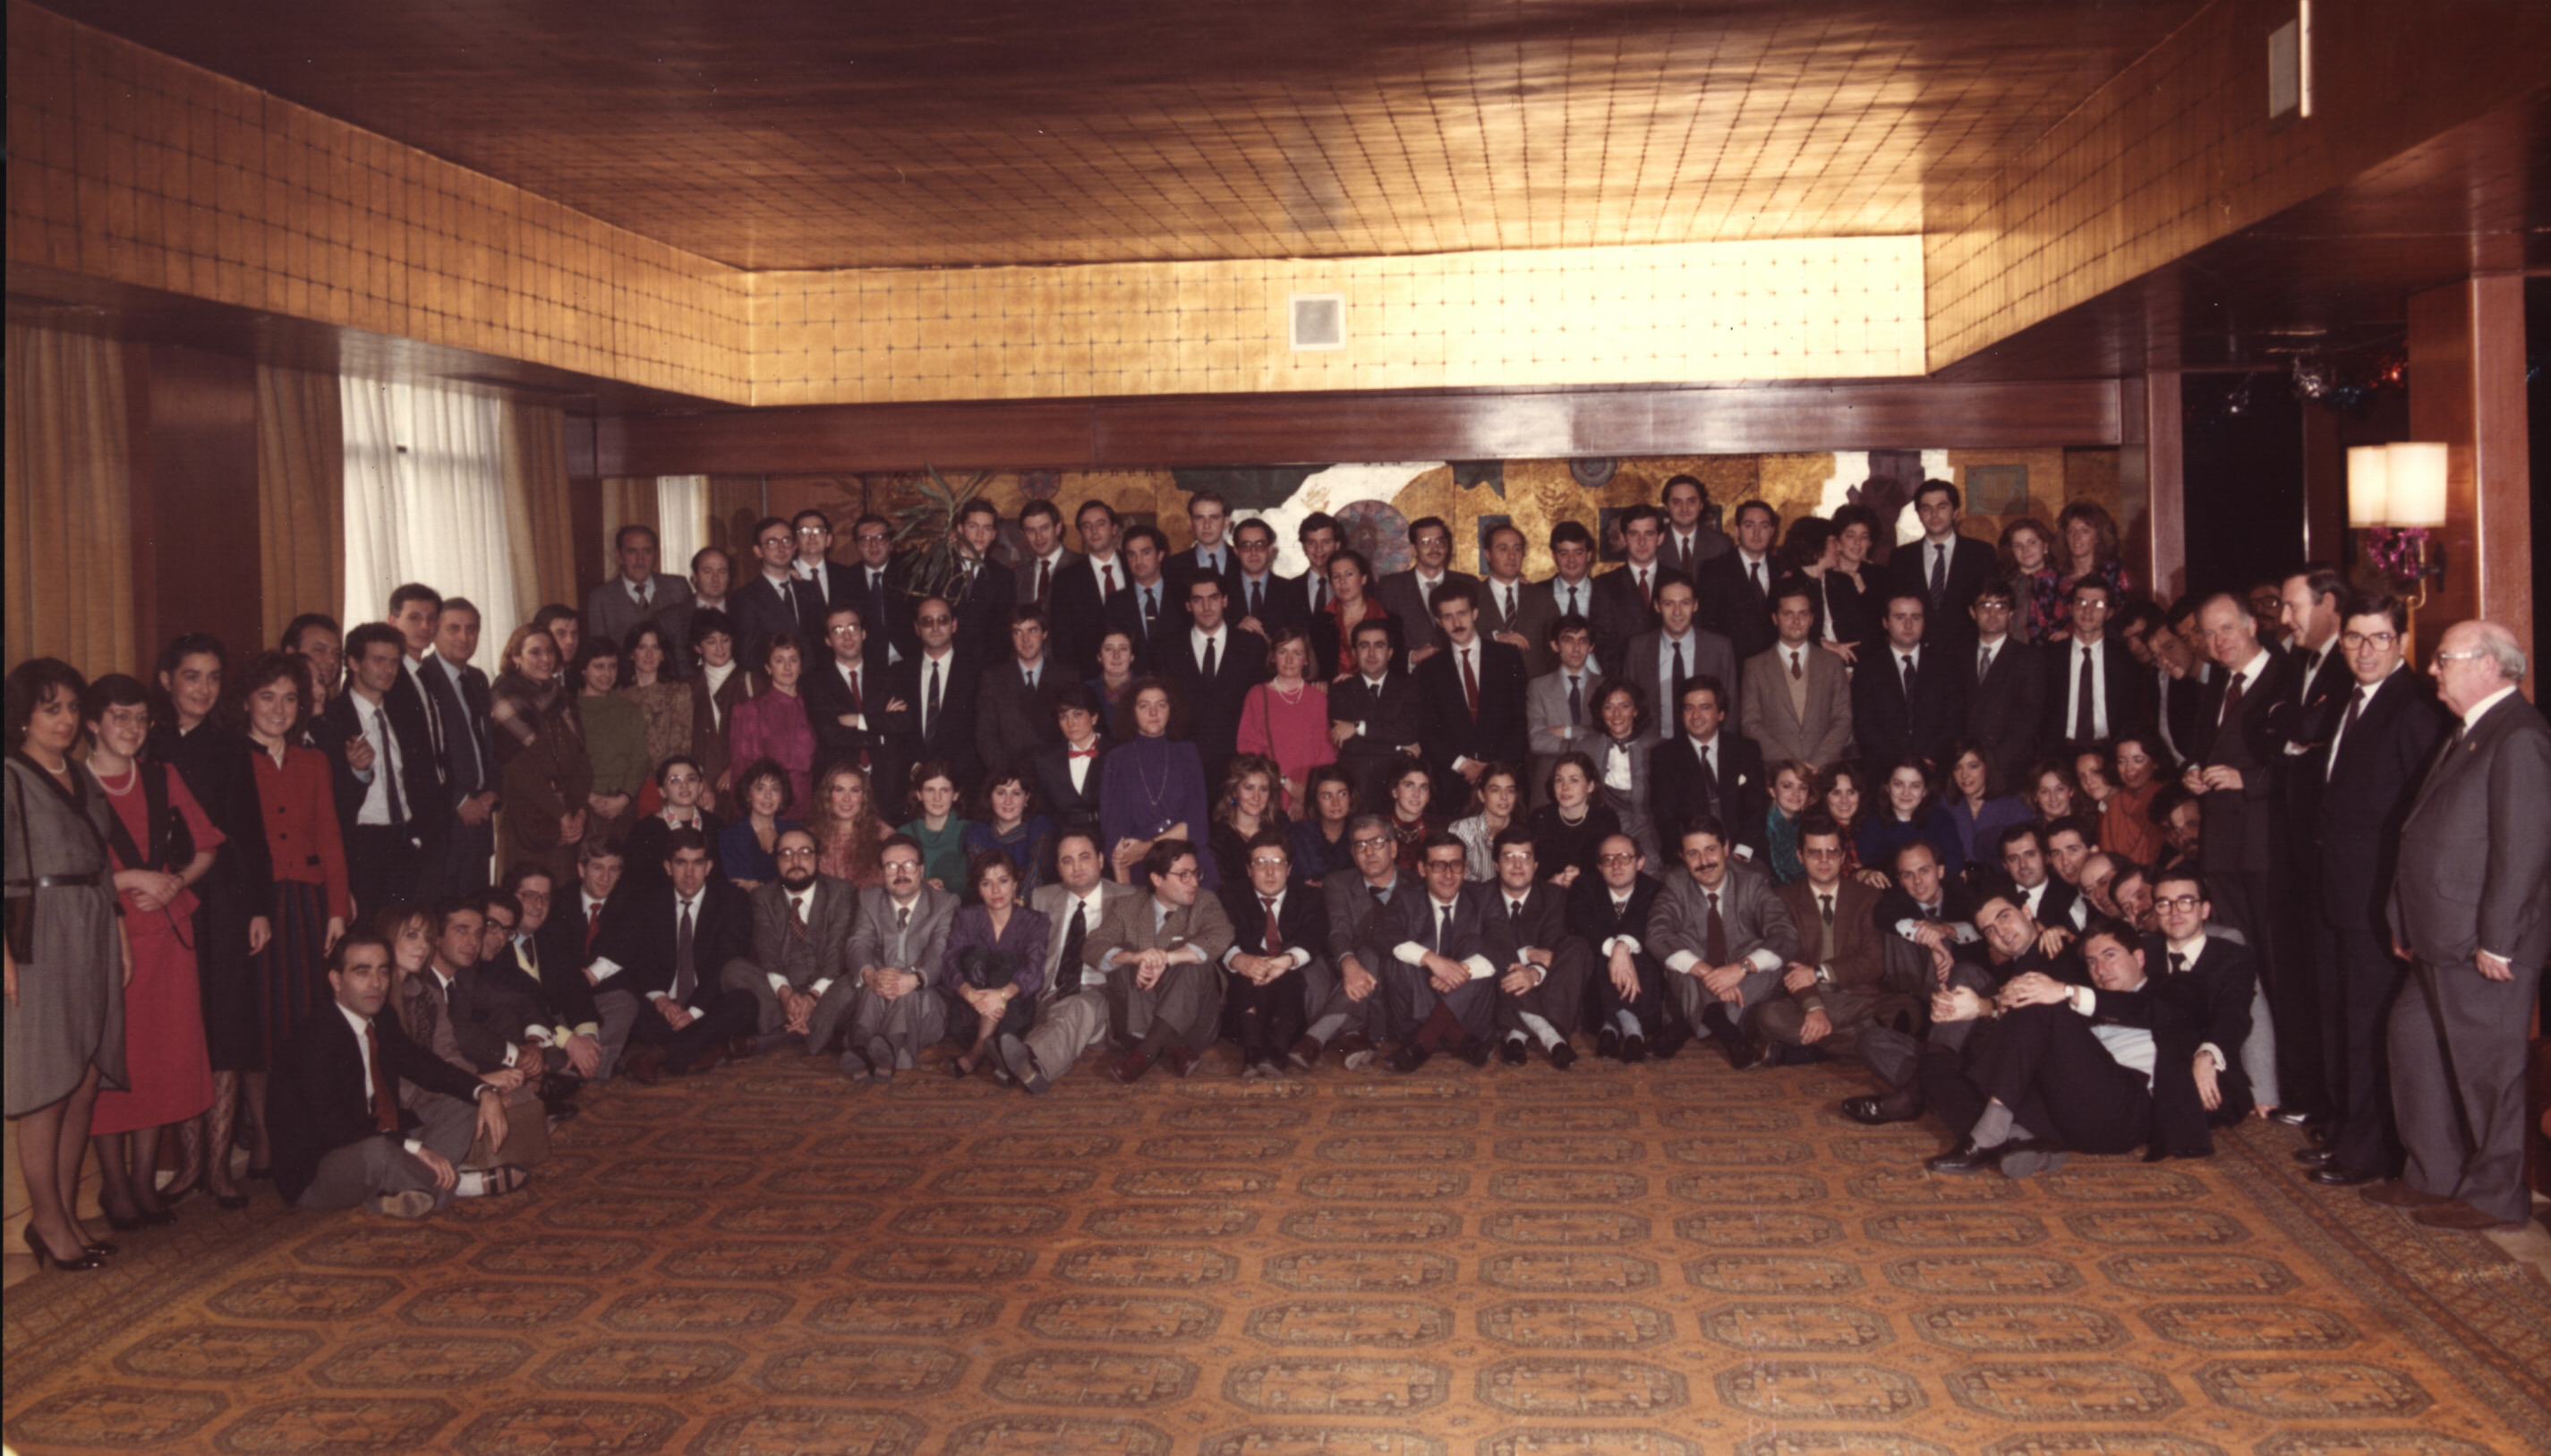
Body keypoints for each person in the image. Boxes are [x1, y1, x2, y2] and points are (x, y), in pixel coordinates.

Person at [2376, 619, 2550, 1232]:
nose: (2433, 669)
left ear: (2488, 665)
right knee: (2412, 1043)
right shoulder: (2472, 729)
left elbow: (2523, 847)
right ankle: (2433, 1173)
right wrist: (2404, 914)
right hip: (2438, 932)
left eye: (2444, 658)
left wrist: (2499, 939)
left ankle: (2496, 1196)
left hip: (2483, 940)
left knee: (2489, 1070)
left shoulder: (2520, 735)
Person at [2299, 593, 2449, 1189]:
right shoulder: (2351, 698)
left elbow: (2423, 817)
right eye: (2354, 638)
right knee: (2340, 1017)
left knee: (2368, 1022)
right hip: (2337, 890)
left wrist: (2403, 908)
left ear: (2403, 643)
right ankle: (2346, 1131)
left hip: (2377, 899)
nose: (2365, 650)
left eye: (2379, 638)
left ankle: (2371, 1151)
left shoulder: (2414, 708)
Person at [81, 675, 218, 1231]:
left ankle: (143, 1180)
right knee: (116, 1059)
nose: (133, 728)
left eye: (141, 718)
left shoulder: (162, 776)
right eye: (121, 716)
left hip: (166, 933)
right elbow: (68, 874)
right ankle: (114, 1184)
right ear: (93, 723)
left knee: (161, 1060)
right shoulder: (73, 784)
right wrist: (131, 879)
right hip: (105, 937)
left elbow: (206, 846)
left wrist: (175, 882)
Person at [6, 659, 131, 1268]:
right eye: (49, 708)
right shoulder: (8, 775)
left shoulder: (81, 774)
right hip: (38, 932)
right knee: (45, 1084)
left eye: (71, 708)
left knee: (83, 1078)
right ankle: (48, 1221)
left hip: (92, 927)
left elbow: (101, 861)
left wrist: (119, 933)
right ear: (22, 715)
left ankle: (65, 1216)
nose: (64, 720)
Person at [266, 932, 521, 1220]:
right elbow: (332, 1128)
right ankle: (461, 1185)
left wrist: (483, 1091)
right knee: (378, 1152)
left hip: (378, 1136)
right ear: (336, 980)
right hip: (320, 1168)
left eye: (383, 971)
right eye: (362, 972)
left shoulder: (381, 1017)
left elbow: (426, 1066)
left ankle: (404, 1188)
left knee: (464, 1102)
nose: (376, 983)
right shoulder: (314, 1039)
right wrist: (412, 1147)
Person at [145, 634, 271, 1208]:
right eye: (192, 675)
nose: (204, 688)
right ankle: (189, 1163)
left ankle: (218, 1167)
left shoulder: (230, 745)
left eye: (214, 677)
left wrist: (259, 908)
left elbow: (250, 833)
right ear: (167, 680)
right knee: (181, 1030)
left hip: (223, 901)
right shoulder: (145, 740)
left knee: (225, 1031)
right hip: (162, 899)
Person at [239, 651, 353, 1185]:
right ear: (247, 702)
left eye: (289, 699)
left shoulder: (314, 761)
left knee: (305, 1023)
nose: (278, 709)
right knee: (261, 1027)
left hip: (307, 905)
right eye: (268, 697)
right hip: (259, 908)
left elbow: (330, 837)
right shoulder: (233, 759)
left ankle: (306, 1134)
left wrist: (337, 908)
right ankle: (265, 1137)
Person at [2181, 592, 2299, 1097]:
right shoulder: (2218, 682)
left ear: (2252, 625)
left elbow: (2306, 765)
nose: (2219, 642)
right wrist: (2193, 772)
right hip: (2222, 851)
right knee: (2237, 964)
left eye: (2227, 629)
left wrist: (2247, 780)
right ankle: (2250, 1076)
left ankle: (2291, 1082)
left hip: (2267, 849)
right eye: (2209, 634)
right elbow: (2203, 749)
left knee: (2277, 967)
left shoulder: (2289, 678)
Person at [586, 828, 757, 1083]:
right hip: (663, 1010)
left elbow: (724, 963)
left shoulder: (733, 901)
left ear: (708, 867)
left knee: (745, 1002)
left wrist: (693, 1014)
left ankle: (656, 1055)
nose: (689, 873)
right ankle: (704, 1048)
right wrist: (662, 1001)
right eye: (681, 863)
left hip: (708, 1004)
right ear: (668, 867)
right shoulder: (648, 901)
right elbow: (641, 962)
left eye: (697, 863)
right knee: (623, 993)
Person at [1646, 819, 1801, 1069]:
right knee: (1681, 947)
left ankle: (1685, 1025)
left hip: (1743, 977)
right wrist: (1708, 974)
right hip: (1699, 976)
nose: (1704, 861)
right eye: (1693, 854)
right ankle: (1730, 1035)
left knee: (1767, 958)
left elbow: (1786, 935)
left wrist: (1741, 968)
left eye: (1710, 850)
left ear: (1726, 848)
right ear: (1682, 857)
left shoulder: (1752, 880)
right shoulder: (1675, 882)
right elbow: (1656, 933)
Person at [994, 829, 1139, 1095]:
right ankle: (1024, 1066)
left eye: (1084, 857)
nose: (1077, 867)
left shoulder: (1129, 898)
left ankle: (1028, 1060)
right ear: (1059, 868)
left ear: (1100, 860)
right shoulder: (1043, 898)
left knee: (1078, 1005)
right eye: (1067, 861)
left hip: (1106, 998)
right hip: (1051, 997)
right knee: (1062, 1013)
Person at [1758, 815, 1907, 1067]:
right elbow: (1791, 965)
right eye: (1815, 853)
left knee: (1907, 1009)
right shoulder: (1782, 898)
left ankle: (1810, 1051)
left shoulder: (1868, 897)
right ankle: (1869, 1043)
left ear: (1842, 856)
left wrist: (1819, 972)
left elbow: (1874, 961)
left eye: (1832, 852)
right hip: (1806, 999)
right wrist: (1814, 1008)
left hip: (1858, 999)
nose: (1824, 860)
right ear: (1800, 856)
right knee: (1768, 1015)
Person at [1086, 838, 1232, 1082]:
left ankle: (1145, 1053)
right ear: (1157, 879)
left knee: (1193, 962)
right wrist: (1134, 958)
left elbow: (1220, 936)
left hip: (1194, 1026)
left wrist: (1168, 958)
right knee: (1122, 954)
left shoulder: (1205, 901)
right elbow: (1093, 946)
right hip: (1134, 1025)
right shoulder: (1127, 906)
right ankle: (1172, 1046)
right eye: (1184, 875)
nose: (1194, 882)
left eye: (1196, 873)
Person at [1362, 831, 1502, 1070]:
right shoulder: (1406, 897)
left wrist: (1462, 971)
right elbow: (1383, 934)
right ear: (1422, 869)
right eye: (1438, 865)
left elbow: (1501, 943)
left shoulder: (1483, 896)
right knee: (1402, 954)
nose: (1448, 874)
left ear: (1465, 868)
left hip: (1470, 1020)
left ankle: (1423, 1043)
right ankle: (1460, 1041)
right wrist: (1432, 960)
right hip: (1416, 1020)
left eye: (1455, 865)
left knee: (1476, 947)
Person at [328, 624, 435, 916]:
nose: (388, 670)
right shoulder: (333, 718)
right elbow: (329, 797)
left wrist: (422, 837)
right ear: (353, 662)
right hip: (362, 845)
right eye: (378, 660)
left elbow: (420, 780)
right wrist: (357, 772)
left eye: (394, 662)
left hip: (406, 841)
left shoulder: (403, 715)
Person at [835, 835, 959, 1082]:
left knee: (908, 992)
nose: (901, 872)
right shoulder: (868, 899)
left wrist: (914, 979)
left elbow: (939, 952)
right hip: (879, 996)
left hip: (926, 1003)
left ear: (921, 870)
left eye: (909, 864)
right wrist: (870, 975)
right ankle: (865, 1050)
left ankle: (888, 1048)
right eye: (891, 866)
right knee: (872, 987)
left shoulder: (945, 903)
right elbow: (859, 943)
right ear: (882, 872)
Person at [729, 828, 855, 1052]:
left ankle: (782, 1035)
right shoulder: (762, 896)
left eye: (804, 853)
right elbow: (767, 952)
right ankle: (813, 1029)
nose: (796, 861)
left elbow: (836, 954)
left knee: (854, 983)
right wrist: (786, 996)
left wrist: (812, 997)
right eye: (786, 854)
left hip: (827, 987)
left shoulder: (841, 891)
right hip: (782, 989)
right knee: (734, 970)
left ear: (817, 857)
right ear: (776, 860)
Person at [1219, 830, 1327, 1079]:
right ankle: (1253, 1050)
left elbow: (1315, 935)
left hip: (1291, 982)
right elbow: (1216, 935)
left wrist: (1287, 960)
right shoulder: (1228, 895)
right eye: (1260, 863)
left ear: (1289, 868)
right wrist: (1237, 959)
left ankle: (1277, 1049)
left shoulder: (1310, 896)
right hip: (1246, 982)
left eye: (1277, 863)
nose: (1270, 872)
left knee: (1288, 968)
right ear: (1249, 869)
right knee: (1251, 961)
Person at [1482, 826, 1590, 1069]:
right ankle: (1551, 1037)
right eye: (1509, 857)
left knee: (1578, 947)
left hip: (1541, 982)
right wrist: (1526, 955)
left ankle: (1516, 1033)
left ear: (1536, 865)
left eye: (1525, 857)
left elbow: (1552, 948)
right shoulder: (1481, 895)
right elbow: (1487, 944)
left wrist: (1534, 973)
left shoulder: (1554, 895)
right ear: (1496, 865)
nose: (1517, 865)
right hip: (1500, 982)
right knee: (1491, 955)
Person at [1415, 581, 1530, 809]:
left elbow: (1521, 721)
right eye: (1448, 617)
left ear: (1475, 613)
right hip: (1454, 782)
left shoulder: (1507, 658)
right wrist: (1464, 766)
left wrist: (1493, 768)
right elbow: (1428, 731)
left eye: (1462, 613)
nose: (1457, 623)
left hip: (1505, 778)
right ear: (1438, 622)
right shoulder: (1429, 670)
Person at [1305, 814, 1404, 1068]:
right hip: (1349, 971)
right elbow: (1339, 932)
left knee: (1374, 950)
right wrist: (1349, 963)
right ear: (1353, 854)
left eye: (1377, 843)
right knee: (1318, 965)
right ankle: (1351, 1034)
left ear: (1393, 848)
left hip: (1394, 975)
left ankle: (1319, 1033)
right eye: (1360, 846)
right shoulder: (1338, 883)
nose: (1369, 852)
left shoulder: (1416, 885)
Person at [939, 851, 1049, 1078]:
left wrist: (1001, 995)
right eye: (986, 883)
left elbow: (1035, 970)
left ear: (1015, 883)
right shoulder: (966, 917)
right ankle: (999, 1058)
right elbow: (949, 964)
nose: (996, 890)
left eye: (1003, 881)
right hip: (971, 1013)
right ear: (978, 889)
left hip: (1012, 1013)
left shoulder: (1035, 921)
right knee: (975, 955)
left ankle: (978, 1051)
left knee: (1004, 961)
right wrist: (972, 996)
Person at [1099, 678, 1214, 889]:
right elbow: (1116, 838)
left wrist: (1148, 847)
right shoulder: (1117, 759)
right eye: (1144, 706)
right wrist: (1127, 898)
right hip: (1141, 866)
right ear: (1132, 712)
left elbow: (1197, 824)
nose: (1154, 713)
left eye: (1161, 705)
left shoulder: (1187, 753)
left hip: (1187, 857)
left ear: (1171, 710)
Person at [420, 598, 499, 898]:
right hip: (446, 821)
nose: (464, 637)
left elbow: (488, 744)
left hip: (481, 820)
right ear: (435, 631)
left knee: (475, 905)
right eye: (454, 628)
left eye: (472, 629)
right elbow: (423, 755)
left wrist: (493, 791)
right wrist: (459, 800)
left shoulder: (478, 679)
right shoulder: (422, 678)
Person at [1160, 575, 1260, 789]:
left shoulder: (1252, 646)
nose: (1206, 607)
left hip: (1237, 767)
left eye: (1213, 598)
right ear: (1188, 605)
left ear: (1225, 600)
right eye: (1198, 600)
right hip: (1184, 765)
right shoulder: (1168, 648)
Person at [1649, 677, 1767, 858]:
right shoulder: (1664, 756)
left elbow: (1757, 808)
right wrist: (1694, 856)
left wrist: (1742, 852)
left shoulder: (1745, 750)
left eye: (1705, 707)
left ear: (1721, 714)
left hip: (1742, 852)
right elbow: (1666, 819)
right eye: (1689, 708)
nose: (1696, 716)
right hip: (1691, 856)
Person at [1741, 586, 1851, 773]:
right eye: (1788, 614)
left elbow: (1843, 719)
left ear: (1812, 619)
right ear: (1775, 618)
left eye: (1803, 614)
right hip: (1778, 772)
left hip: (1824, 771)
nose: (1796, 621)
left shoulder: (1832, 663)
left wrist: (1817, 763)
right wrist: (1791, 766)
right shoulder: (1755, 667)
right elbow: (1750, 724)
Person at [1623, 577, 1740, 746]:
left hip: (1705, 748)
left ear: (1695, 605)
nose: (1677, 612)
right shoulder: (1638, 648)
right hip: (1651, 748)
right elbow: (1629, 704)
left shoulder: (1719, 648)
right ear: (1657, 606)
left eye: (1685, 603)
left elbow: (1731, 708)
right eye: (1669, 604)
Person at [1853, 592, 1966, 767]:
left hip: (1935, 766)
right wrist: (1901, 764)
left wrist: (1930, 758)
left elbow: (1956, 720)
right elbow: (1865, 726)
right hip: (1886, 769)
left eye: (1916, 617)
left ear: (1924, 622)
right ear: (1885, 622)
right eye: (1899, 617)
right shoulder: (1867, 668)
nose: (1908, 624)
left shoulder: (1945, 665)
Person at [1884, 478, 1998, 649]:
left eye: (1942, 507)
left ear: (1955, 512)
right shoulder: (1901, 557)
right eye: (1926, 508)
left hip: (1968, 653)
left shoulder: (1981, 553)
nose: (1934, 514)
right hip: (1918, 653)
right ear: (1919, 514)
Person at [1236, 628, 1334, 816]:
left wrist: (1305, 794)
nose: (1289, 660)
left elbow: (1326, 751)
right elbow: (1248, 746)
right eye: (1283, 652)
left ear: (1306, 659)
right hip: (1269, 794)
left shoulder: (1319, 698)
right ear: (1273, 656)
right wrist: (1289, 786)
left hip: (1311, 796)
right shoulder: (1257, 695)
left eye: (1296, 653)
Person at [888, 596, 983, 788]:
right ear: (917, 628)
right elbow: (893, 733)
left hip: (962, 785)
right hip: (909, 785)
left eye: (943, 620)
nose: (935, 627)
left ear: (954, 625)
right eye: (927, 621)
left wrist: (945, 775)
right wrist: (915, 768)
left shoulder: (978, 674)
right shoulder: (897, 674)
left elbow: (980, 735)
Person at [1327, 619, 1421, 810]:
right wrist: (1398, 747)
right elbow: (1349, 745)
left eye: (1379, 645)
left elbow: (1409, 731)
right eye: (1364, 646)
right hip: (1359, 786)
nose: (1371, 653)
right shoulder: (1340, 690)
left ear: (1390, 653)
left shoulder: (1409, 688)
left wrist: (1357, 727)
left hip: (1400, 785)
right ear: (1354, 653)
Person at [1967, 581, 2046, 786]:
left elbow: (2029, 720)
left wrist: (1991, 766)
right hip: (1964, 768)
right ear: (1972, 612)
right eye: (1985, 606)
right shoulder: (1957, 657)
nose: (1992, 614)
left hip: (2008, 768)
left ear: (2011, 613)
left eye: (2000, 607)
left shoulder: (2029, 658)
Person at [727, 629, 817, 809]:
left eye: (793, 660)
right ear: (768, 667)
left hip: (812, 806)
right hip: (769, 807)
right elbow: (742, 772)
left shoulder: (815, 705)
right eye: (779, 661)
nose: (787, 667)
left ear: (801, 665)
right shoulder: (749, 710)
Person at [1588, 503, 1685, 668]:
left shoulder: (1679, 581)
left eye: (1649, 534)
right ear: (1623, 538)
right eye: (1634, 534)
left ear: (1660, 537)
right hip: (1625, 678)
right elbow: (1603, 646)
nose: (1642, 542)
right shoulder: (1605, 585)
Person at [572, 640, 646, 851]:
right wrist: (589, 797)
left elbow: (640, 760)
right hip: (584, 806)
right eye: (599, 666)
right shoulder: (570, 711)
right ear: (583, 669)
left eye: (612, 666)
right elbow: (567, 765)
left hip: (624, 807)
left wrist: (623, 799)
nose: (607, 673)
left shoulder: (629, 710)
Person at [975, 605, 1064, 779]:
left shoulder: (1065, 676)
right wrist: (1010, 777)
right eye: (1018, 632)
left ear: (1045, 633)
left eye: (1032, 630)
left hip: (1055, 779)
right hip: (1008, 779)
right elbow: (985, 736)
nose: (1025, 639)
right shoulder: (993, 678)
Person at [1524, 615, 1603, 805]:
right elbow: (1536, 740)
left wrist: (1566, 731)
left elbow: (1606, 737)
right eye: (1568, 640)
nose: (1576, 648)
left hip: (1596, 779)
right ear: (1555, 645)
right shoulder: (1538, 687)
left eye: (1582, 641)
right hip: (1550, 780)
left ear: (1591, 646)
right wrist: (1586, 735)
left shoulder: (1606, 687)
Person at [1374, 515, 1475, 662]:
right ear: (1413, 549)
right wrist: (1410, 657)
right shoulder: (1390, 587)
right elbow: (1379, 638)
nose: (1435, 548)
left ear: (1447, 547)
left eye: (1440, 541)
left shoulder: (1469, 583)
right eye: (1426, 542)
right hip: (1410, 674)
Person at [584, 524, 695, 658]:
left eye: (647, 551)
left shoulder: (678, 587)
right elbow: (599, 653)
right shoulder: (600, 598)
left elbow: (693, 640)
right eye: (632, 551)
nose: (640, 560)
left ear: (656, 554)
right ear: (619, 556)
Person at [1693, 498, 1781, 662]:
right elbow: (1706, 625)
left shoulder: (1782, 568)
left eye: (1764, 526)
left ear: (1772, 531)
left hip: (1775, 665)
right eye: (1749, 525)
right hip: (1733, 664)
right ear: (1737, 530)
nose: (1756, 533)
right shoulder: (1715, 569)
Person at [624, 755, 726, 893]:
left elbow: (721, 879)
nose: (684, 786)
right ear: (662, 791)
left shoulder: (715, 824)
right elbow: (634, 883)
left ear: (701, 786)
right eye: (675, 780)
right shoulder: (644, 830)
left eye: (690, 779)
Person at [1587, 677, 1662, 865]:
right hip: (1606, 826)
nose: (1616, 714)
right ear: (1601, 712)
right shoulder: (1589, 747)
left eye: (1625, 706)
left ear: (1636, 710)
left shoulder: (1658, 747)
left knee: (1650, 866)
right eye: (1609, 707)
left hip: (1650, 827)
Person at [1048, 499, 1126, 677]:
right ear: (1081, 533)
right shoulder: (1066, 579)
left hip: (1136, 678)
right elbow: (1062, 643)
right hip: (1088, 679)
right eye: (1087, 526)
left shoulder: (1134, 569)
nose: (1094, 531)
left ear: (1114, 529)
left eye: (1100, 524)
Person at [732, 515, 823, 664]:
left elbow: (822, 642)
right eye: (772, 542)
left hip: (813, 676)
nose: (781, 547)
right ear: (758, 551)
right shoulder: (745, 597)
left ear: (795, 546)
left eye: (786, 540)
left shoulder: (810, 589)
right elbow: (746, 654)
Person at [1857, 757, 1966, 881]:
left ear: (1925, 791)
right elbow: (1872, 867)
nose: (1906, 793)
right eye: (1898, 784)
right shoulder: (1871, 823)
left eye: (1915, 786)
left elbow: (1953, 863)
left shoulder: (1941, 820)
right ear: (1887, 787)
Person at [617, 621, 694, 790]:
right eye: (642, 647)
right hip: (627, 784)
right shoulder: (619, 696)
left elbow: (682, 745)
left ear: (663, 655)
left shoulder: (677, 692)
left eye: (656, 648)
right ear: (632, 654)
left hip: (667, 782)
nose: (649, 655)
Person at [1526, 753, 1619, 887]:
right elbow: (1530, 868)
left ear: (1590, 786)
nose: (1565, 787)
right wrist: (1550, 883)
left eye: (1574, 780)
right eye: (1559, 780)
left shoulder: (1606, 819)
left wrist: (1583, 878)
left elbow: (1611, 868)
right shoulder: (1539, 818)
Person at [1475, 524, 1556, 677]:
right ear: (1487, 554)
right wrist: (1494, 637)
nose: (1511, 556)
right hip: (1487, 685)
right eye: (1503, 549)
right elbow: (1459, 641)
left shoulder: (1542, 598)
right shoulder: (1472, 597)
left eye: (1517, 549)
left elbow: (1555, 651)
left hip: (1534, 687)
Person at [945, 498, 1021, 661]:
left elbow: (1002, 634)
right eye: (973, 526)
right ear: (960, 529)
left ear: (993, 535)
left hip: (985, 666)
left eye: (987, 528)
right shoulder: (940, 568)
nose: (980, 534)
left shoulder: (1003, 577)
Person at [1028, 683, 1108, 834]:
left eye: (1077, 715)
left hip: (1109, 834)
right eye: (1063, 717)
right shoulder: (1045, 760)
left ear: (1094, 717)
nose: (1071, 723)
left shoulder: (1116, 753)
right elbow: (1043, 810)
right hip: (1064, 836)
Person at [1098, 525, 1183, 667]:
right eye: (1132, 554)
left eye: (1145, 552)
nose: (1138, 561)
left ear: (1160, 554)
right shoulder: (1114, 603)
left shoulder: (1182, 597)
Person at [962, 766, 1054, 895]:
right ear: (990, 796)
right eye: (1001, 793)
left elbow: (1037, 873)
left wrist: (1021, 899)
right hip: (990, 902)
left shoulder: (1040, 826)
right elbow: (983, 878)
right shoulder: (977, 831)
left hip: (1032, 902)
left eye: (1016, 793)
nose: (1008, 801)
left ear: (1027, 797)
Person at [1942, 742, 2030, 871]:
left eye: (1973, 766)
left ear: (1987, 768)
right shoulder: (1945, 806)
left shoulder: (2014, 808)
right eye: (1957, 768)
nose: (1964, 775)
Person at [1319, 549, 1402, 683]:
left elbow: (1397, 671)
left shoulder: (1390, 621)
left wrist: (1358, 683)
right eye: (1336, 576)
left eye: (1349, 574)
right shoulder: (1320, 622)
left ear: (1363, 578)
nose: (1342, 582)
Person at [803, 761, 889, 889]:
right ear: (827, 795)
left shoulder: (883, 835)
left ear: (864, 796)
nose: (847, 799)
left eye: (854, 791)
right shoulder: (810, 837)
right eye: (839, 790)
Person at [718, 758, 799, 890]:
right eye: (760, 788)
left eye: (775, 789)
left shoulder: (794, 831)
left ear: (782, 796)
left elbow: (799, 880)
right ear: (748, 795)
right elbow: (739, 885)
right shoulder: (730, 835)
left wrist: (759, 886)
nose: (768, 796)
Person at [1531, 523, 1604, 669]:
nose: (1571, 560)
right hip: (1552, 678)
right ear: (1554, 556)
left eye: (1578, 553)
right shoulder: (1536, 595)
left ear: (1589, 555)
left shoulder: (1607, 593)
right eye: (1564, 554)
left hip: (1599, 677)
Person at [1820, 502, 1884, 663]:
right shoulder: (1823, 575)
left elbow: (1883, 626)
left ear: (1870, 542)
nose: (1857, 542)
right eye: (1850, 535)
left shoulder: (1881, 575)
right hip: (1827, 660)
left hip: (1870, 661)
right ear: (1837, 540)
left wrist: (1864, 592)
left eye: (1864, 537)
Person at [1208, 754, 1286, 887]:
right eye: (1249, 788)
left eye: (1263, 789)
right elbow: (1223, 889)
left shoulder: (1280, 827)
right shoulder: (1219, 839)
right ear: (1234, 792)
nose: (1256, 797)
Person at [2097, 732, 2171, 869]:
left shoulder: (2168, 798)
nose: (2128, 769)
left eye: (2138, 760)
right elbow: (2107, 859)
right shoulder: (2115, 803)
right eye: (2121, 761)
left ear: (2156, 762)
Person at [2052, 501, 2131, 628]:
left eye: (2084, 531)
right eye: (2070, 531)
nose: (2076, 537)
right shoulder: (2050, 578)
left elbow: (2121, 621)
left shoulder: (2115, 574)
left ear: (2098, 537)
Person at [900, 761, 972, 892]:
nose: (937, 798)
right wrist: (921, 886)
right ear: (919, 794)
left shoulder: (971, 831)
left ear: (955, 795)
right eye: (930, 790)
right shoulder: (903, 835)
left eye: (944, 790)